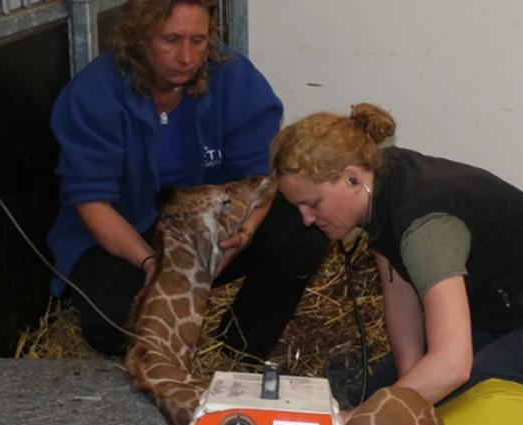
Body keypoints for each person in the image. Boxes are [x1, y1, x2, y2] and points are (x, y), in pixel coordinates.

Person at [270, 103, 523, 418]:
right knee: (388, 396)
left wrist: (379, 414)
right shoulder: (379, 184)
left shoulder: (426, 224)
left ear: (351, 177)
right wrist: (403, 393)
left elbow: (452, 364)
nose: (306, 219)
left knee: (444, 410)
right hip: (501, 315)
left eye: (313, 203)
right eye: (297, 206)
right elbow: (400, 295)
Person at [46, 0, 328, 359]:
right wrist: (153, 265)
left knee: (304, 228)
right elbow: (90, 199)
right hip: (125, 230)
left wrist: (245, 233)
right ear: (140, 37)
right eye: (171, 40)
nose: (186, 57)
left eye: (198, 40)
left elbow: (260, 177)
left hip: (211, 223)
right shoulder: (95, 93)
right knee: (114, 322)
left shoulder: (233, 77)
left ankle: (241, 352)